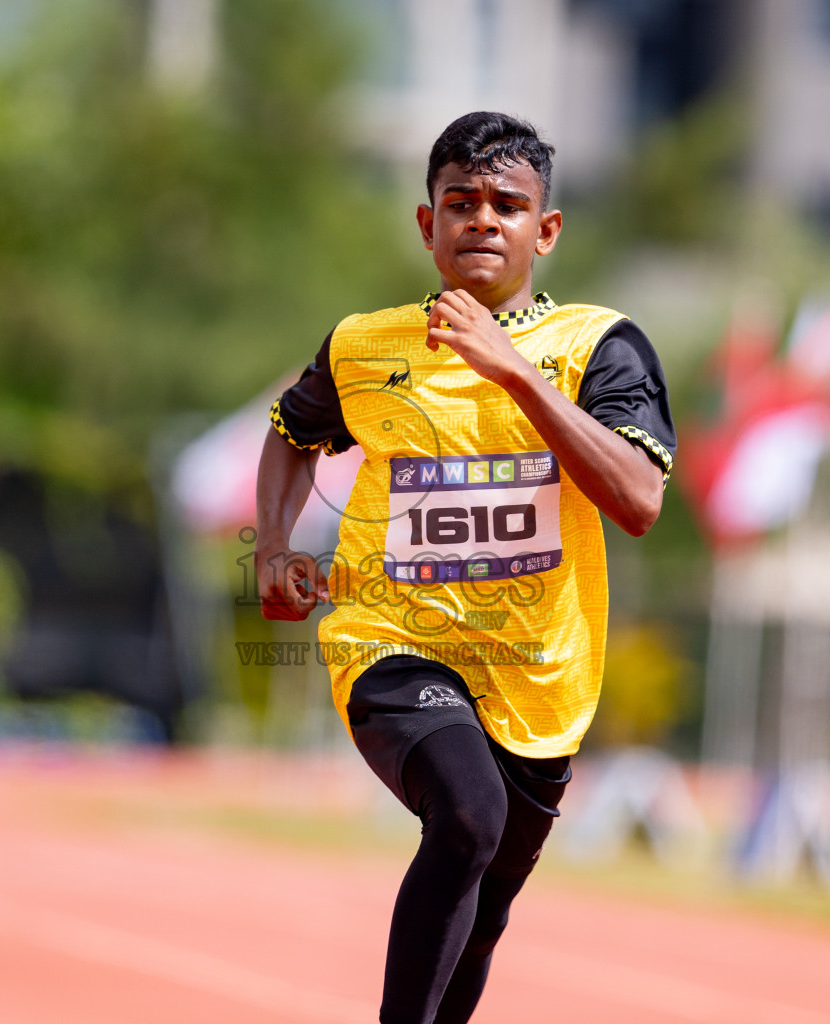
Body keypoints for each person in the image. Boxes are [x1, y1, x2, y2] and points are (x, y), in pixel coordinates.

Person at [254, 111, 675, 1024]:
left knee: (481, 914)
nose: (482, 220)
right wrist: (279, 545)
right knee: (469, 817)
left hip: (539, 676)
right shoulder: (365, 346)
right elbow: (290, 434)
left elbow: (639, 500)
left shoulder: (600, 347)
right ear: (426, 223)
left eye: (507, 205)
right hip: (392, 645)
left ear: (545, 231)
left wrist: (514, 370)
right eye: (461, 202)